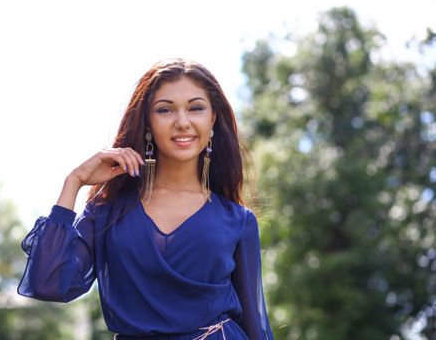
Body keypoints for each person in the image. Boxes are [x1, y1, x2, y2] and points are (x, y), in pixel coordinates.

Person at [18, 58, 275, 340]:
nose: (182, 122)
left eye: (196, 108)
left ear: (212, 119)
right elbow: (47, 283)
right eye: (165, 110)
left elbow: (255, 321)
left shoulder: (237, 220)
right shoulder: (107, 211)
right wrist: (74, 181)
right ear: (148, 122)